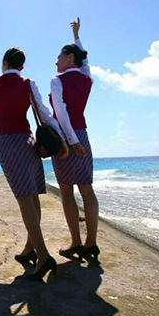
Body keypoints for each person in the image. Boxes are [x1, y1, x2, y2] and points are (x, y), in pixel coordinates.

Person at [0, 17, 68, 280]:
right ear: (21, 66)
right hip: (29, 141)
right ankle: (30, 249)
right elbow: (45, 113)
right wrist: (64, 140)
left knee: (23, 199)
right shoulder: (29, 84)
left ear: (6, 64)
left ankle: (42, 255)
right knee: (32, 196)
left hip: (7, 142)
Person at [50, 18, 100, 263]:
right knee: (87, 189)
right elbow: (86, 63)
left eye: (60, 56)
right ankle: (91, 243)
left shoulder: (57, 81)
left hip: (65, 138)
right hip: (83, 134)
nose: (56, 61)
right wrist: (77, 36)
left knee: (67, 191)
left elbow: (60, 113)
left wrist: (69, 140)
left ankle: (76, 242)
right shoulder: (86, 79)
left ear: (70, 57)